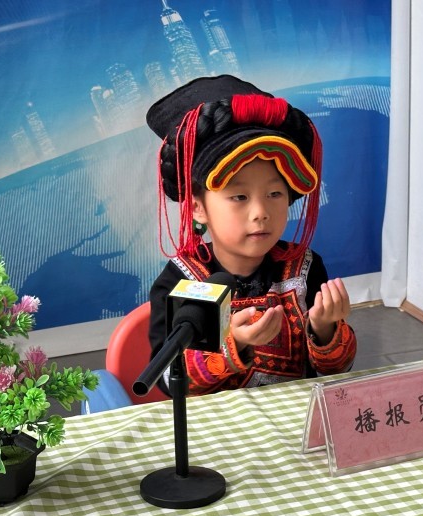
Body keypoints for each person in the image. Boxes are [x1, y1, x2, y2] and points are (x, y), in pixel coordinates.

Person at [145, 74, 357, 396]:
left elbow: (336, 371)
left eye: (274, 193)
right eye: (240, 197)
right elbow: (168, 382)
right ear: (198, 209)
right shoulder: (183, 282)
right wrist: (236, 344)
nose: (260, 212)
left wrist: (325, 329)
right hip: (217, 433)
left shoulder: (305, 267)